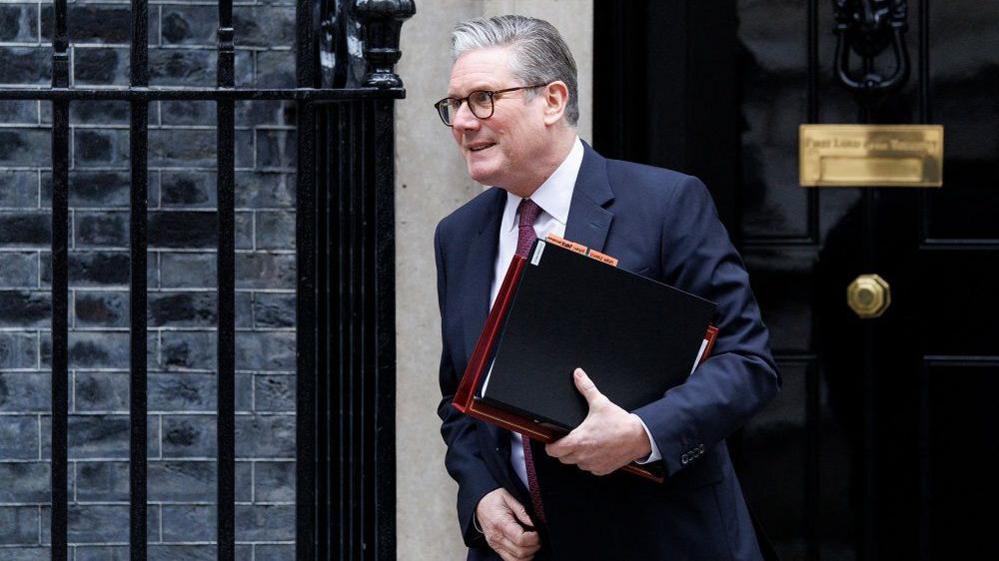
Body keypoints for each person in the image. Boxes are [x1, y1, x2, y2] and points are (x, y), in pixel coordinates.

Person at [433, 15, 780, 561]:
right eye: (453, 105)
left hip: (658, 539)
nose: (462, 122)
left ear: (552, 100)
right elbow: (459, 397)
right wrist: (481, 497)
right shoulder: (459, 236)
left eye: (481, 99)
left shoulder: (666, 205)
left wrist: (643, 433)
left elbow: (747, 362)